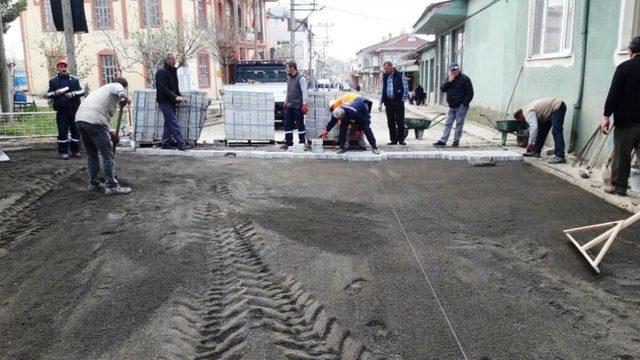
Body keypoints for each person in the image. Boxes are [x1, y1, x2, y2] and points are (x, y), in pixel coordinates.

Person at [75, 78, 131, 195]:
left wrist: (111, 133)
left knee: (92, 154)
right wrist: (123, 97)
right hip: (94, 120)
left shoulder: (100, 91)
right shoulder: (116, 86)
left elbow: (101, 115)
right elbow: (120, 91)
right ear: (124, 86)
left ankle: (94, 183)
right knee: (107, 154)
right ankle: (111, 185)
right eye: (125, 88)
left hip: (81, 119)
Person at [600, 36, 640, 196]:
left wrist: (606, 116)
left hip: (627, 121)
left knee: (622, 155)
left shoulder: (624, 68)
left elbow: (614, 94)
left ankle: (619, 187)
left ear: (631, 52)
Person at [47, 58, 84, 159]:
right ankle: (64, 152)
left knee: (75, 131)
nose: (63, 68)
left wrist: (73, 94)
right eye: (61, 67)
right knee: (62, 131)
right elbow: (48, 94)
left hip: (74, 111)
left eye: (64, 66)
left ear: (67, 68)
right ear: (58, 68)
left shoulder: (74, 80)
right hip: (61, 111)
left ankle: (75, 151)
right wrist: (55, 93)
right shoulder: (53, 81)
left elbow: (82, 92)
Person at [514, 97, 567, 164]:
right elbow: (536, 128)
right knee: (541, 131)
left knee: (556, 131)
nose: (522, 121)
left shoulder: (527, 113)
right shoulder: (527, 109)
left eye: (519, 120)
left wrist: (530, 142)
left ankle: (560, 156)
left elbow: (534, 127)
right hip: (548, 112)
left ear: (520, 116)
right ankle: (536, 151)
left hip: (557, 107)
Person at [433, 63, 474, 147]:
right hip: (451, 106)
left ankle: (456, 140)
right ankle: (443, 140)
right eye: (452, 70)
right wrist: (448, 82)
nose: (454, 72)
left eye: (455, 70)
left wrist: (464, 104)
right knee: (448, 123)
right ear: (450, 71)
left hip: (461, 106)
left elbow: (470, 93)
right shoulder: (449, 79)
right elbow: (442, 89)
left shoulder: (465, 79)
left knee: (459, 124)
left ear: (458, 69)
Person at [156, 52, 190, 151]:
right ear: (167, 60)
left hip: (171, 100)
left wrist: (180, 96)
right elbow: (163, 88)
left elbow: (175, 86)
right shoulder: (161, 72)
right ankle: (181, 144)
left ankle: (165, 143)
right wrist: (175, 97)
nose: (174, 61)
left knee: (168, 122)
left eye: (174, 59)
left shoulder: (173, 70)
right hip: (164, 101)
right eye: (172, 59)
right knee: (172, 122)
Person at [378, 61, 408, 145]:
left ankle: (401, 140)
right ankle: (393, 140)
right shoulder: (385, 76)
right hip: (388, 102)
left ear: (391, 67)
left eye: (386, 68)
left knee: (400, 121)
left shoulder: (399, 74)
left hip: (398, 101)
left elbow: (405, 87)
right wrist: (380, 103)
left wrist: (403, 99)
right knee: (390, 121)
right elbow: (383, 89)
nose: (385, 70)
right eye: (384, 69)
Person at [281, 60, 309, 150]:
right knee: (287, 124)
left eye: (287, 67)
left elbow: (304, 92)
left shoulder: (301, 78)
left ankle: (302, 142)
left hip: (298, 106)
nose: (286, 69)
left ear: (292, 67)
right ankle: (288, 143)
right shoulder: (288, 77)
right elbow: (289, 90)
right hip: (289, 105)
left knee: (300, 124)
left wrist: (305, 104)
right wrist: (286, 100)